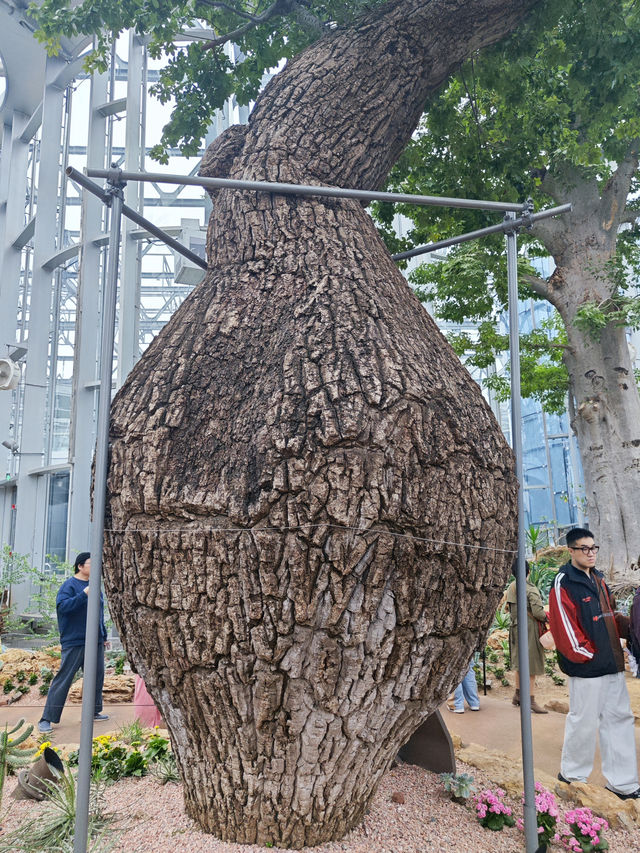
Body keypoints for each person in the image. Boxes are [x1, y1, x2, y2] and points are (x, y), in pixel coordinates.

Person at [548, 527, 640, 800]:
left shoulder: (599, 578)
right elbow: (564, 626)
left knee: (619, 720)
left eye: (593, 548)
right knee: (583, 721)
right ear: (571, 551)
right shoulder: (563, 582)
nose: (590, 553)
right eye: (584, 548)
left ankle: (623, 784)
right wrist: (587, 655)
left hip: (612, 665)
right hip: (587, 669)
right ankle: (572, 775)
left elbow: (609, 613)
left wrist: (625, 635)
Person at [38, 552, 109, 734]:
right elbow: (63, 608)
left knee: (96, 677)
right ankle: (46, 719)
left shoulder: (95, 586)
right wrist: (83, 595)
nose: (95, 567)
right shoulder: (69, 586)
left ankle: (93, 711)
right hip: (75, 640)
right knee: (64, 679)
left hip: (96, 641)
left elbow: (99, 612)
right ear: (80, 566)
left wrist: (104, 635)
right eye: (91, 563)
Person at [505, 560, 548, 714]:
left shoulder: (512, 586)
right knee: (531, 666)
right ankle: (530, 700)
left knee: (519, 662)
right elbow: (538, 613)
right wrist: (547, 616)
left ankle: (517, 694)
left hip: (515, 628)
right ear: (528, 572)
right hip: (530, 630)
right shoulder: (531, 589)